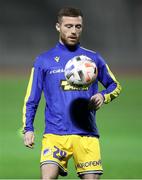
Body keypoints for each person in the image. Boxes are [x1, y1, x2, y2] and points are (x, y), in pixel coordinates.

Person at [22, 7, 122, 179]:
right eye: (68, 26)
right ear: (58, 27)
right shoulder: (43, 60)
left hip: (86, 135)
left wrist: (102, 96)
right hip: (55, 134)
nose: (73, 31)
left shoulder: (93, 58)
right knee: (47, 178)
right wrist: (28, 128)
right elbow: (32, 98)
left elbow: (115, 85)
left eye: (78, 26)